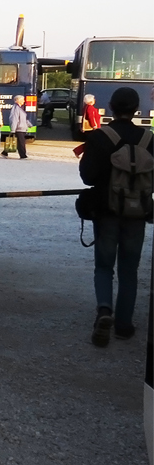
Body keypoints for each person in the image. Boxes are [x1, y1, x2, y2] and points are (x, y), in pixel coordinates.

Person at [79, 86, 153, 345]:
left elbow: (87, 175)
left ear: (111, 106)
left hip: (106, 211)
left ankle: (104, 311)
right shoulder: (149, 138)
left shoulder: (100, 137)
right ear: (135, 108)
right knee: (130, 269)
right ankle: (124, 325)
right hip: (137, 213)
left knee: (104, 266)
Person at [4, 94, 29, 158]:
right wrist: (13, 129)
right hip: (19, 128)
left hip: (21, 128)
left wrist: (29, 124)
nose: (24, 101)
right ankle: (23, 155)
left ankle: (5, 152)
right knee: (21, 143)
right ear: (18, 101)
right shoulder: (16, 108)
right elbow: (14, 119)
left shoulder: (20, 108)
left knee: (19, 142)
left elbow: (23, 119)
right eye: (23, 100)